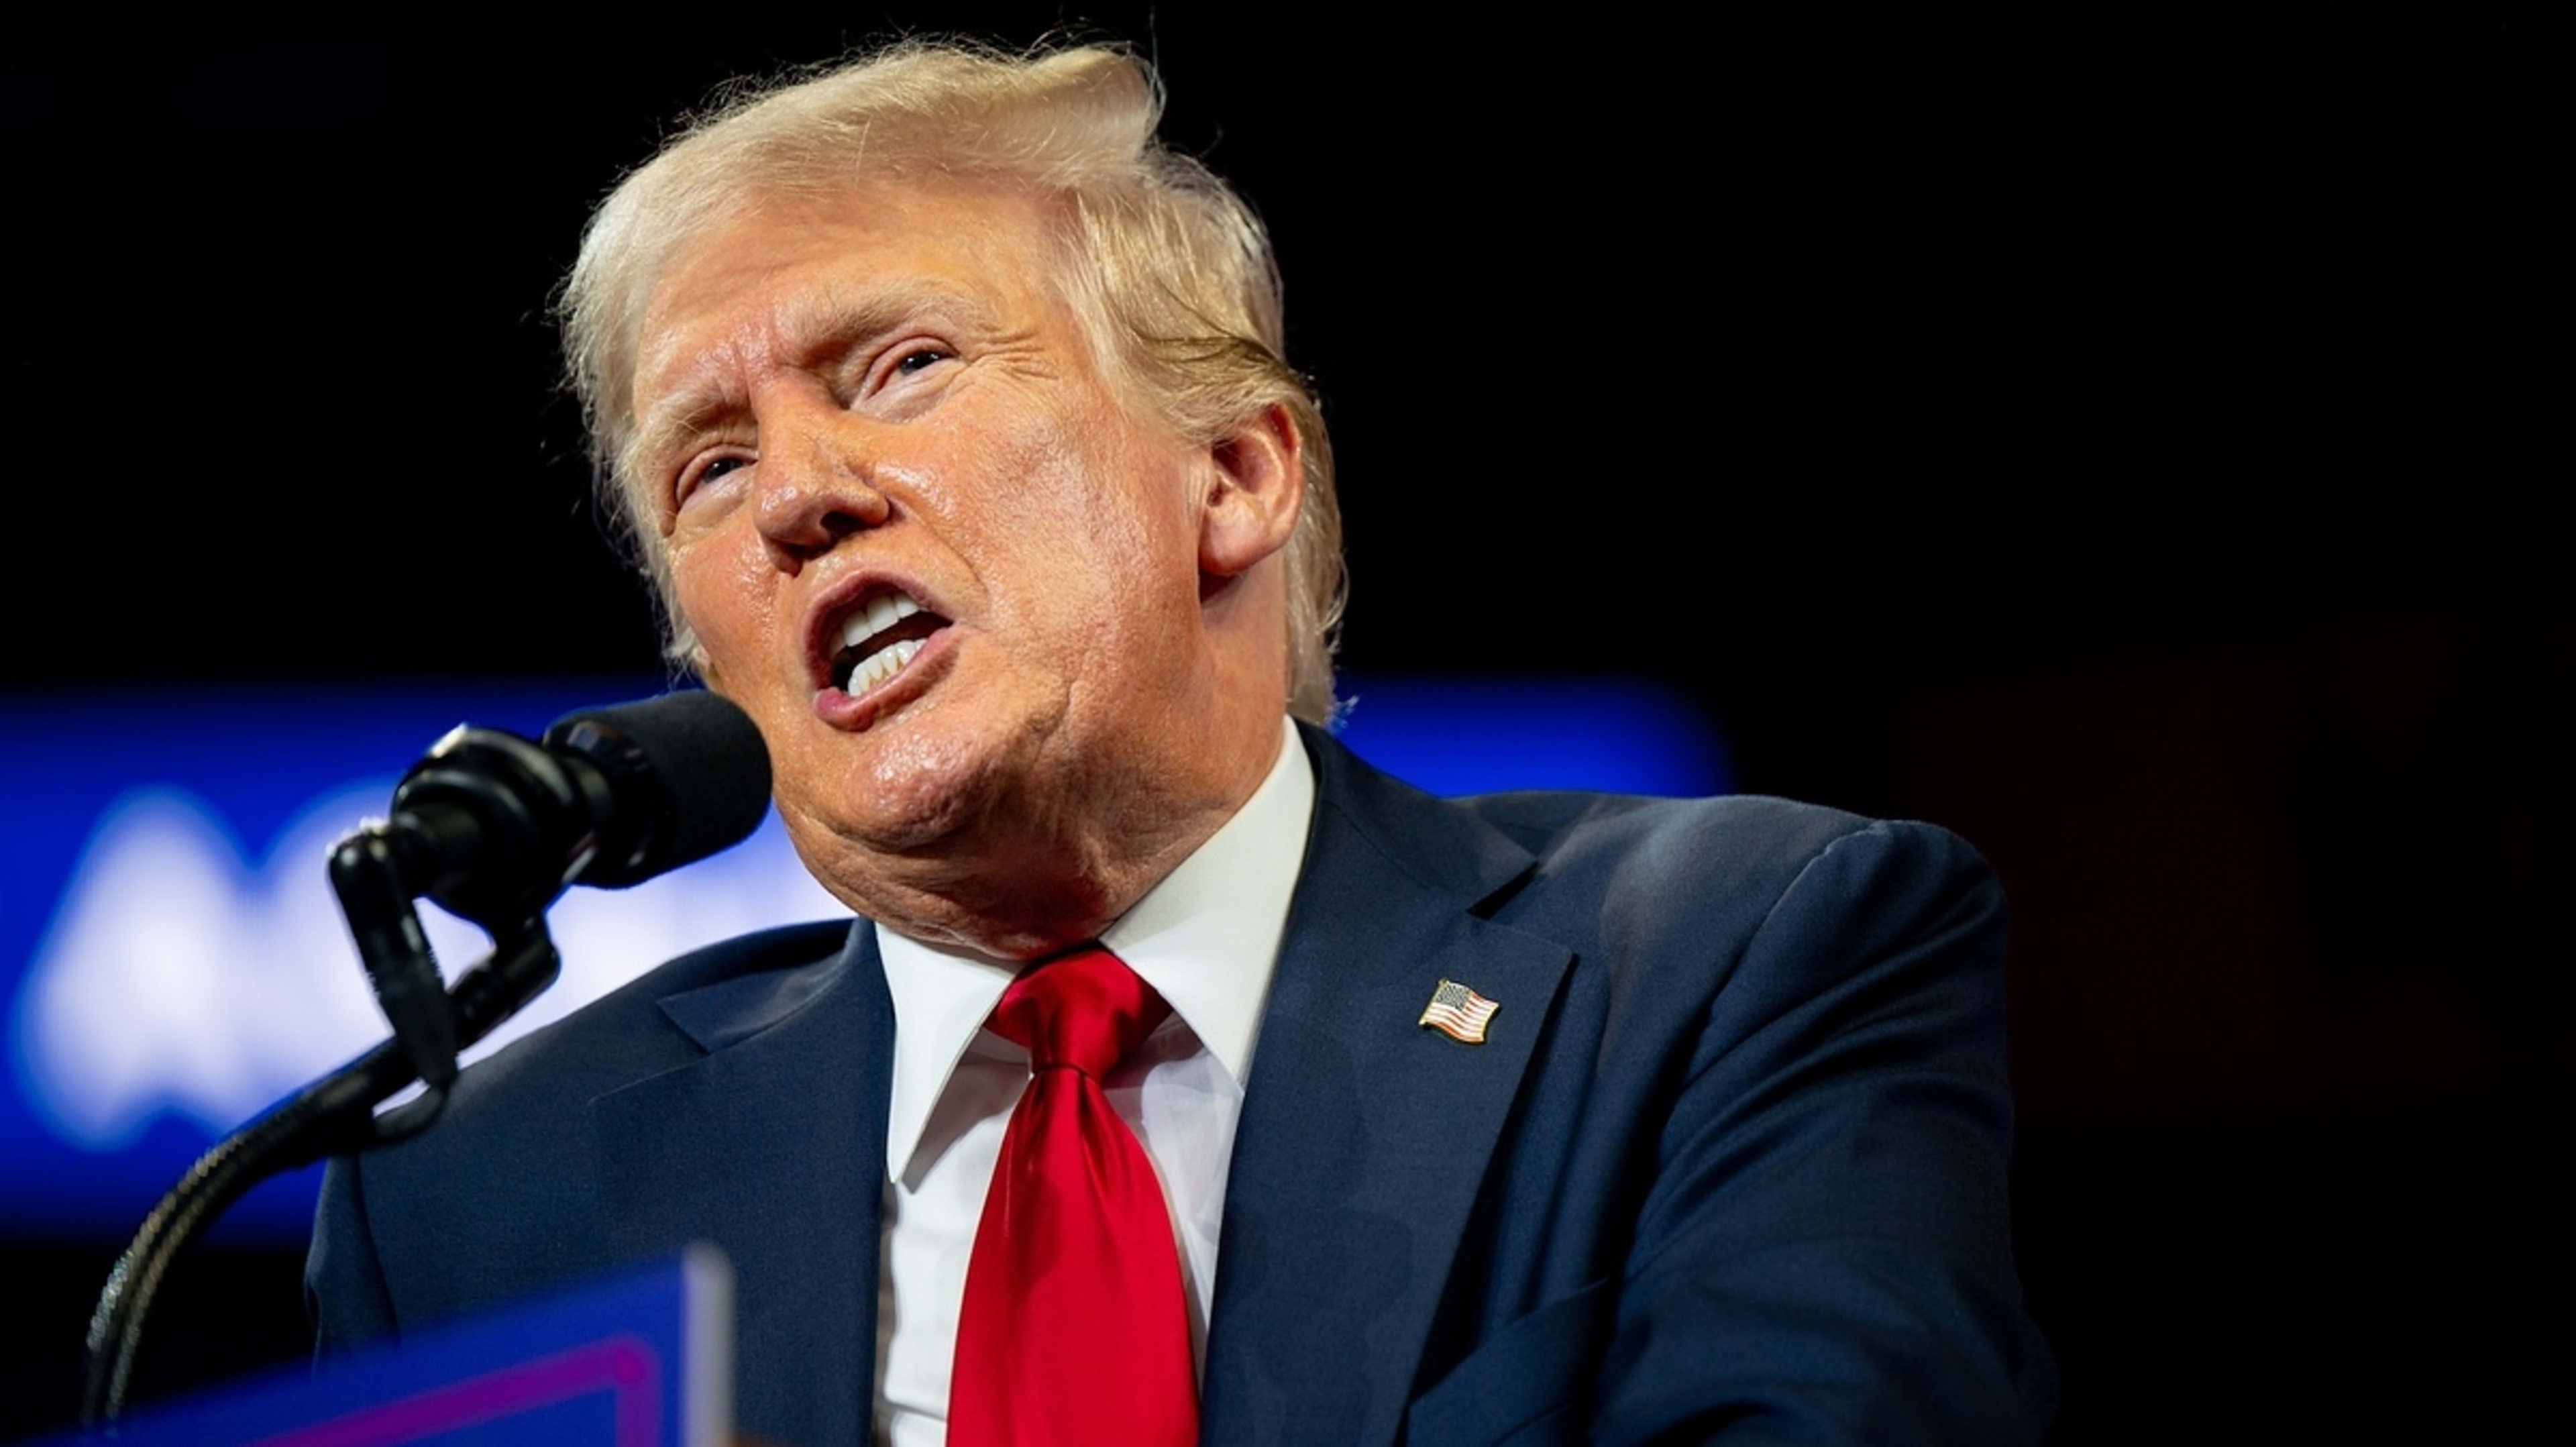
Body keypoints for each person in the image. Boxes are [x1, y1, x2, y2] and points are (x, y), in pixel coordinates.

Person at [307, 41, 2056, 1446]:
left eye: (904, 365)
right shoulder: (476, 1205)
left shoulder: (1728, 965)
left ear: (1234, 476)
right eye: (707, 466)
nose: (799, 499)